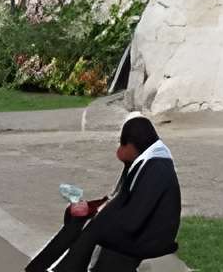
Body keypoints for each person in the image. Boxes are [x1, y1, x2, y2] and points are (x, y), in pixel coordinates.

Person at [24, 115, 180, 272]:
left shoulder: (157, 170)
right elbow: (121, 199)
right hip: (138, 229)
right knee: (79, 219)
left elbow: (134, 218)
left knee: (95, 228)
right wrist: (93, 208)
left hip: (149, 240)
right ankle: (40, 267)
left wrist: (102, 217)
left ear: (131, 145)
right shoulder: (146, 161)